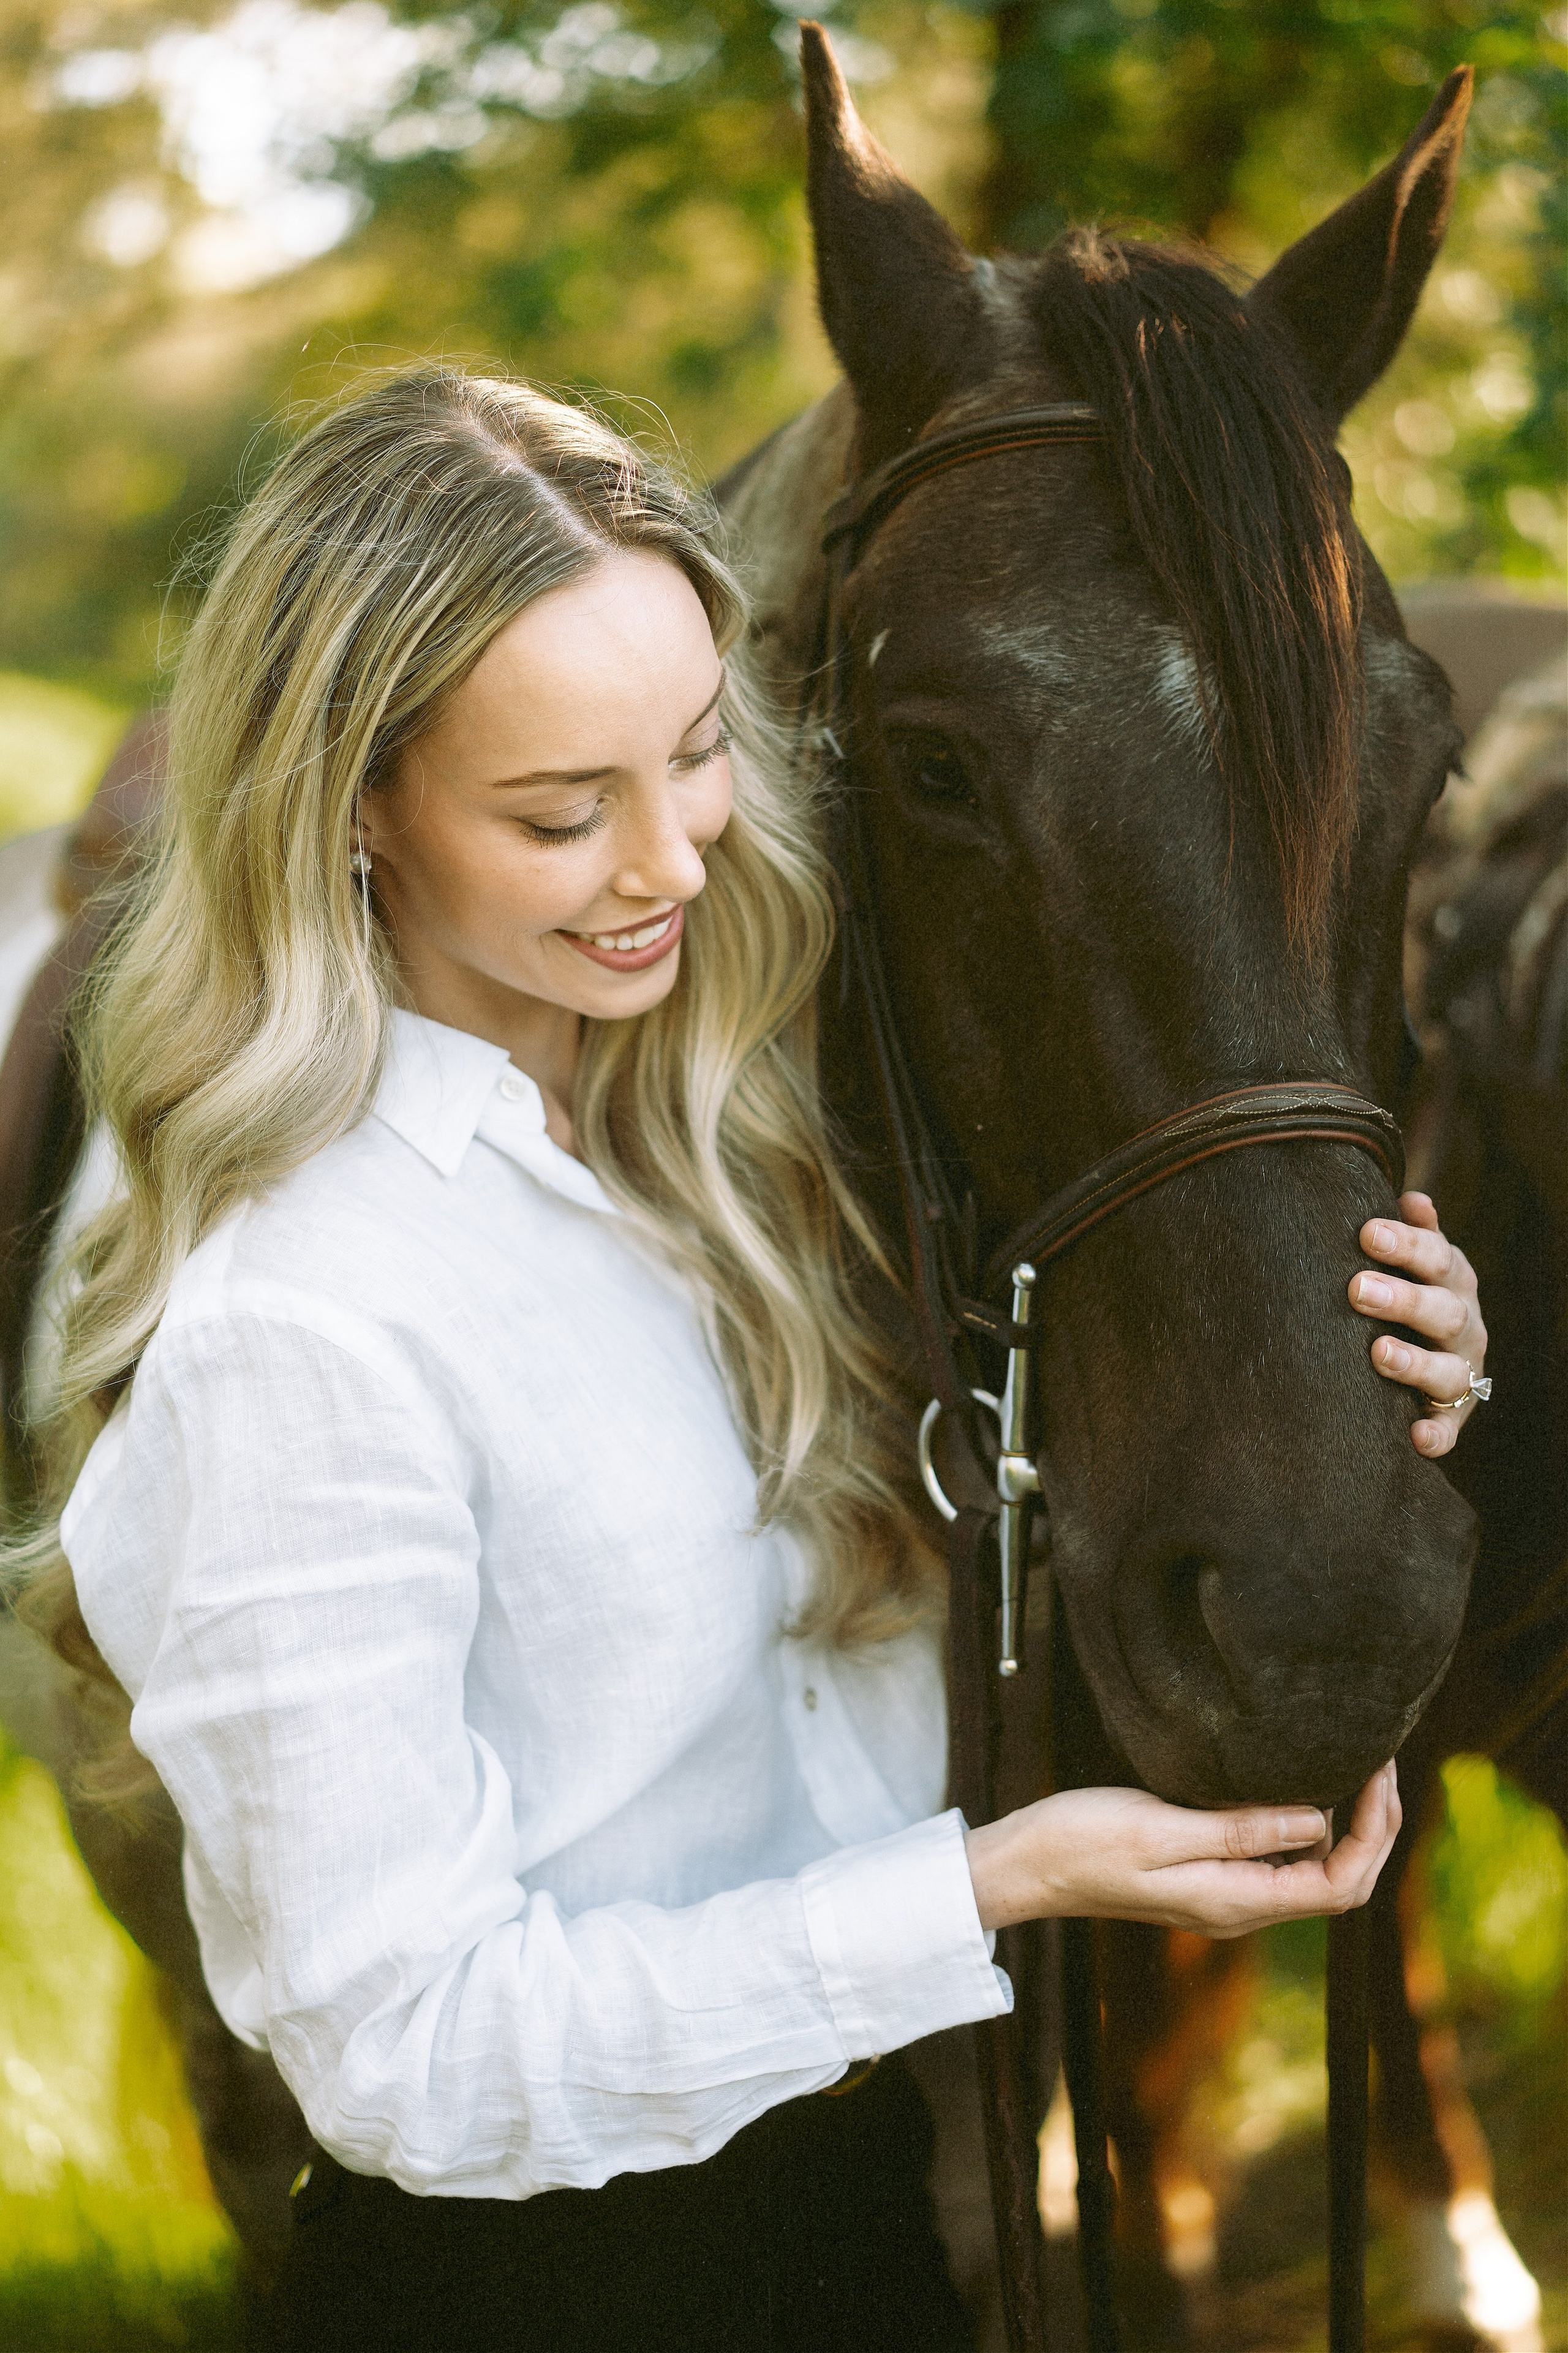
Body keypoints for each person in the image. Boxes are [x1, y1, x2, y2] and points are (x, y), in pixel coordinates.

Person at [17, 374, 1487, 2352]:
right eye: (561, 811)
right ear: (355, 807)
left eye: (700, 753)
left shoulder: (733, 1137)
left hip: (861, 2212)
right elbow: (410, 2062)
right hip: (543, 2295)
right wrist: (983, 1890)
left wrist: (1374, 1353)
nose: (673, 864)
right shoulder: (301, 1320)